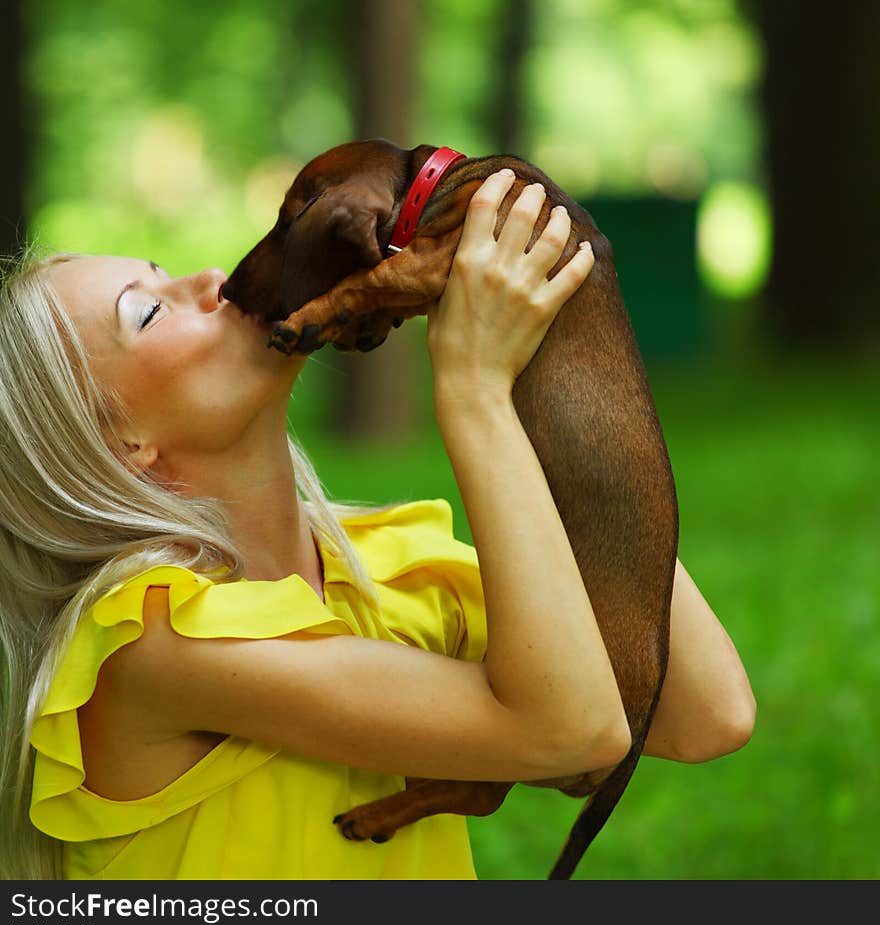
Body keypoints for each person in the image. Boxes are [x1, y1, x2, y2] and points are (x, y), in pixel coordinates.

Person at [0, 171, 755, 881]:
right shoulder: (151, 644)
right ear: (120, 441)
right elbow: (573, 730)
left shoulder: (391, 570)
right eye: (148, 310)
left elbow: (701, 714)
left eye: (165, 268)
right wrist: (474, 390)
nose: (204, 280)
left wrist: (545, 362)